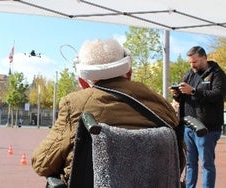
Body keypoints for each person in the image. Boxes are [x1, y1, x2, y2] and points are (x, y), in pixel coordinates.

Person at [31, 38, 181, 185]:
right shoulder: (161, 104)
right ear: (129, 72)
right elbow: (178, 161)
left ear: (83, 80)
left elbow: (42, 162)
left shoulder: (75, 104)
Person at [170, 46, 226, 188]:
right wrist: (177, 94)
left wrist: (194, 91)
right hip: (189, 126)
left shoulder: (217, 74)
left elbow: (218, 95)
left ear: (204, 58)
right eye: (190, 62)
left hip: (206, 127)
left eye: (194, 62)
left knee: (206, 164)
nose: (192, 65)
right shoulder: (189, 74)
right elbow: (184, 96)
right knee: (190, 163)